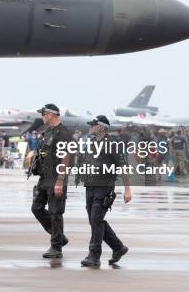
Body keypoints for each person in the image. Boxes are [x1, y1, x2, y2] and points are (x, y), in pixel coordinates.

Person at [78, 115, 132, 268]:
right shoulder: (92, 143)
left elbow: (123, 166)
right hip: (90, 186)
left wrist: (127, 189)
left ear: (101, 127)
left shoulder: (113, 144)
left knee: (96, 219)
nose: (90, 127)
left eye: (93, 125)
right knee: (95, 220)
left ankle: (94, 255)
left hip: (105, 187)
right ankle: (118, 247)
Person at [27, 104, 72, 259]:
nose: (42, 116)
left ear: (52, 114)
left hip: (56, 178)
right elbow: (45, 151)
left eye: (44, 113)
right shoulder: (47, 132)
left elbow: (66, 157)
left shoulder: (63, 133)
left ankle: (56, 247)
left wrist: (60, 181)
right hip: (44, 178)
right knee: (36, 208)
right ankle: (59, 237)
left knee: (55, 213)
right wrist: (34, 154)